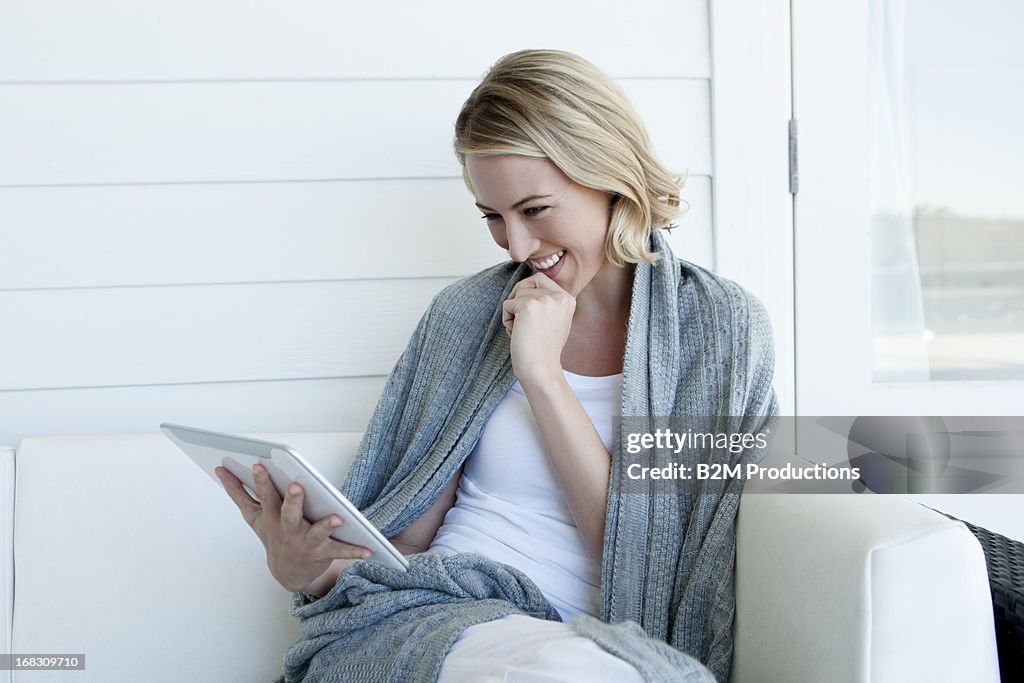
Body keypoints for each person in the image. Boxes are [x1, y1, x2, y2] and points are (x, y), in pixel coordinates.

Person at [216, 49, 777, 682]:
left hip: (578, 646)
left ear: (611, 176)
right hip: (437, 624)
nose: (516, 245)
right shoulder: (467, 314)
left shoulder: (717, 326)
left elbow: (649, 563)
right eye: (492, 217)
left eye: (534, 210)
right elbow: (403, 548)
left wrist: (542, 376)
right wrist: (306, 569)